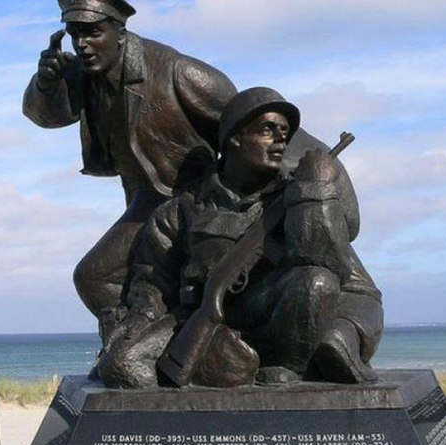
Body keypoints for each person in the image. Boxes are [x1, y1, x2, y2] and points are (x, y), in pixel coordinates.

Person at [97, 88, 384, 389]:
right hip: (198, 317)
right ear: (235, 137)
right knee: (120, 367)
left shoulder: (293, 197)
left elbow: (326, 263)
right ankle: (212, 370)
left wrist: (314, 191)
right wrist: (140, 322)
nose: (280, 141)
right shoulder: (182, 209)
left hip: (275, 320)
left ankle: (282, 367)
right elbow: (150, 281)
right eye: (267, 130)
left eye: (284, 133)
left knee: (316, 282)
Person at [22, 0, 237, 336]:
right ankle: (133, 348)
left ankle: (145, 343)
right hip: (146, 201)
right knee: (101, 280)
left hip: (194, 202)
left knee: (93, 275)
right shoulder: (85, 74)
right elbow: (45, 117)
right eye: (75, 33)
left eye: (93, 32)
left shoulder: (177, 72)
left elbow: (252, 123)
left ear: (120, 31)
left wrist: (314, 167)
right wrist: (45, 85)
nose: (82, 44)